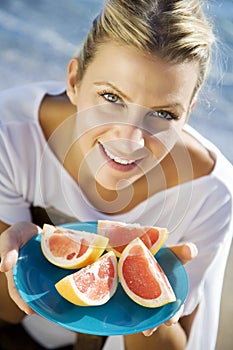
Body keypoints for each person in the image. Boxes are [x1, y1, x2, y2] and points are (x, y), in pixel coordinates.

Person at [0, 0, 232, 349]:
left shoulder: (213, 193)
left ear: (189, 113)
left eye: (164, 114)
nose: (130, 140)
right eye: (111, 97)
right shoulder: (10, 135)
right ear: (75, 81)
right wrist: (15, 261)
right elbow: (8, 313)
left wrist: (148, 295)